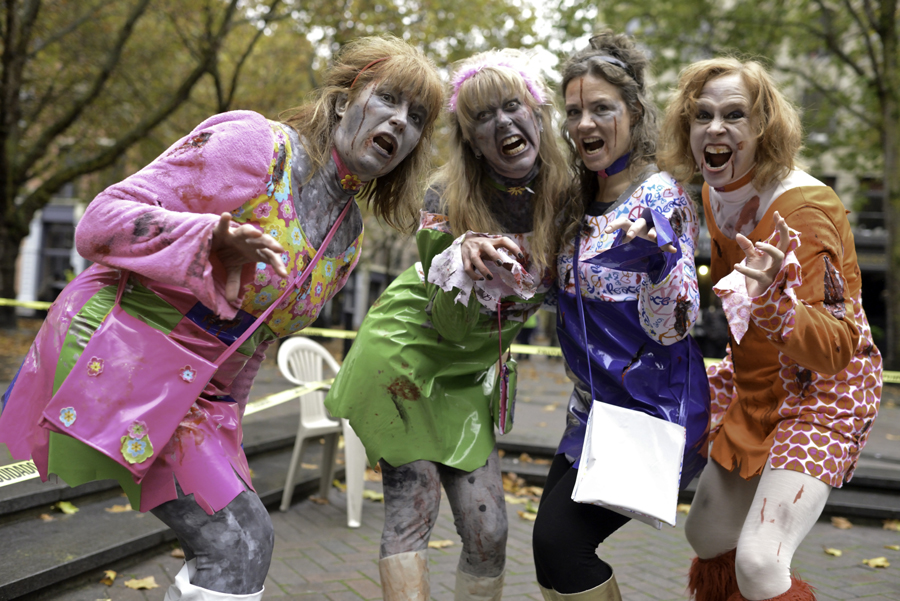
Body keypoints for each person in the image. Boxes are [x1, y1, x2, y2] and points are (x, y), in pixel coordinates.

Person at [0, 36, 442, 601]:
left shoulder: (346, 238)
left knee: (241, 542)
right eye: (388, 99)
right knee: (235, 540)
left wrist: (227, 436)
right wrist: (205, 237)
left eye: (418, 117)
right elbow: (98, 223)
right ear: (345, 97)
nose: (399, 122)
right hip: (117, 349)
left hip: (196, 399)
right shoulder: (254, 145)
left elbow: (252, 344)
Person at [325, 49, 569, 601]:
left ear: (538, 113)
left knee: (490, 532)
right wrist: (461, 256)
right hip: (404, 356)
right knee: (413, 512)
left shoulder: (567, 197)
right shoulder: (445, 197)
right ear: (471, 140)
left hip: (465, 378)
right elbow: (455, 327)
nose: (502, 123)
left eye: (513, 106)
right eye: (482, 117)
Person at [659, 57, 882, 601]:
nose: (716, 128)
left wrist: (776, 306)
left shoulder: (803, 209)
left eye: (735, 115)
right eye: (702, 115)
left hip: (821, 395)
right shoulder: (715, 192)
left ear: (764, 128)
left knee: (760, 561)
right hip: (756, 384)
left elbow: (836, 348)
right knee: (707, 532)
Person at [531, 31, 709, 601]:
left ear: (633, 114)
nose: (585, 123)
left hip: (652, 412)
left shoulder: (662, 197)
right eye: (575, 110)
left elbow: (676, 325)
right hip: (594, 413)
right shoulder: (579, 200)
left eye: (601, 109)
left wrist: (659, 264)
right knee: (549, 556)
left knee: (563, 546)